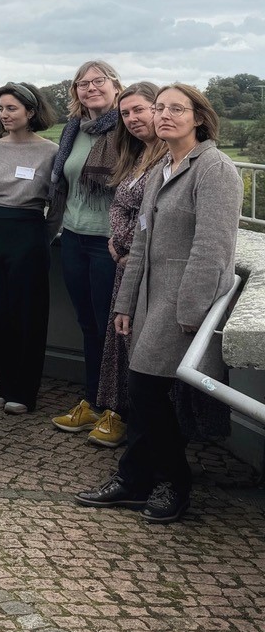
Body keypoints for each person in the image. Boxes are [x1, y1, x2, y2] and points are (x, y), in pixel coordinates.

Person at [76, 84, 241, 524]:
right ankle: (136, 478)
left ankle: (172, 482)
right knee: (145, 392)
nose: (165, 115)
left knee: (146, 390)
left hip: (180, 302)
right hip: (149, 298)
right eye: (161, 108)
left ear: (198, 118)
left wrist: (191, 311)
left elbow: (213, 247)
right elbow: (143, 243)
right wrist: (124, 305)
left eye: (176, 109)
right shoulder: (161, 167)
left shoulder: (214, 169)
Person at [49, 60, 124, 438]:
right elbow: (64, 182)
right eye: (82, 83)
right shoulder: (73, 130)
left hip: (109, 243)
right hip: (73, 237)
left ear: (115, 85)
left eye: (99, 81)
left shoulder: (127, 128)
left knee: (112, 328)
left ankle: (117, 410)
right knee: (88, 325)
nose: (90, 88)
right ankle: (93, 402)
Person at [0, 83, 62, 416]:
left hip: (30, 231)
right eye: (0, 108)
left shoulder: (50, 151)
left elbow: (58, 203)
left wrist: (44, 235)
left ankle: (24, 389)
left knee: (28, 312)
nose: (4, 114)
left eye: (11, 108)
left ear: (30, 111)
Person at [94, 82, 164, 446]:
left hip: (146, 270)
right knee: (121, 346)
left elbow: (158, 221)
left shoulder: (169, 158)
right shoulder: (137, 154)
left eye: (140, 109)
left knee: (140, 353)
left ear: (159, 109)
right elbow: (122, 206)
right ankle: (123, 419)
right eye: (126, 113)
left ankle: (143, 436)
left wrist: (127, 249)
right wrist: (115, 241)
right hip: (126, 266)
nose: (133, 118)